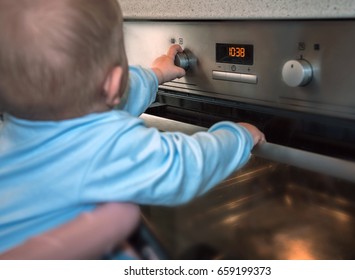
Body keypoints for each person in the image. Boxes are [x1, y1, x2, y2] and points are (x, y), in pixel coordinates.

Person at [0, 0, 265, 256]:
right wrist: (237, 136)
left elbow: (106, 100)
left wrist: (155, 74)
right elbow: (181, 165)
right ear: (115, 80)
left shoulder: (11, 134)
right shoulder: (103, 148)